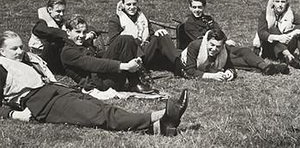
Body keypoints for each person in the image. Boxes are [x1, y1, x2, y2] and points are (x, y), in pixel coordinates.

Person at [0, 31, 189, 136]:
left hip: (58, 91)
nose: (19, 51)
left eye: (20, 47)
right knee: (100, 114)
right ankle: (161, 115)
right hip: (42, 103)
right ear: (2, 51)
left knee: (102, 107)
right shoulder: (2, 68)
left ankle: (161, 127)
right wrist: (13, 114)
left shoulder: (27, 59)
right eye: (13, 49)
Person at [182, 0, 289, 76]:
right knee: (239, 61)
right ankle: (270, 68)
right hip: (208, 53)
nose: (197, 10)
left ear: (204, 7)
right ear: (190, 8)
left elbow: (219, 32)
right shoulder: (189, 24)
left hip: (220, 47)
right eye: (194, 7)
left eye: (199, 7)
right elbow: (203, 41)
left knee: (244, 51)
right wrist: (223, 42)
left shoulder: (208, 19)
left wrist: (224, 40)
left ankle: (266, 67)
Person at [61, 15, 153, 94]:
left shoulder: (84, 44)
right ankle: (136, 80)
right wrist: (125, 66)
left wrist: (123, 54)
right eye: (77, 32)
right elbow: (92, 63)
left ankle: (136, 79)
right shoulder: (68, 52)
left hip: (107, 78)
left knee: (127, 39)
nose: (81, 36)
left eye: (84, 32)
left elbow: (100, 54)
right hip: (98, 84)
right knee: (122, 39)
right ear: (68, 32)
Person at [108, 0, 189, 79]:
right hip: (131, 55)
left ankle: (178, 66)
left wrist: (156, 34)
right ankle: (141, 70)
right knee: (132, 39)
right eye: (128, 4)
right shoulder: (116, 20)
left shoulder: (142, 17)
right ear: (123, 4)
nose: (132, 7)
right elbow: (114, 43)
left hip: (146, 51)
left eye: (134, 4)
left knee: (162, 33)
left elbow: (150, 35)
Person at [255, 0, 300, 68]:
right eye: (277, 1)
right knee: (272, 29)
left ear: (286, 2)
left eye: (283, 2)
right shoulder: (265, 14)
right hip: (270, 48)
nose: (280, 5)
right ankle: (289, 56)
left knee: (298, 34)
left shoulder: (290, 13)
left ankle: (290, 58)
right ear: (273, 2)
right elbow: (261, 33)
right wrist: (279, 37)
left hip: (286, 43)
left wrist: (294, 31)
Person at [28, 0, 71, 74]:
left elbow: (80, 26)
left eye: (63, 11)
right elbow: (39, 30)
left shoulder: (62, 21)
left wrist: (92, 32)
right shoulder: (42, 22)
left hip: (54, 56)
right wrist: (66, 35)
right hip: (41, 57)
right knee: (54, 42)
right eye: (58, 11)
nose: (61, 14)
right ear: (50, 10)